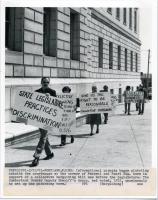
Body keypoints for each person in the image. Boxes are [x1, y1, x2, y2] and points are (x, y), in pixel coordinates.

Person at [30, 77, 56, 167]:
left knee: (43, 137)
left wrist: (50, 98)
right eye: (44, 82)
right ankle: (49, 154)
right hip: (39, 118)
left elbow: (56, 106)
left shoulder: (53, 92)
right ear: (41, 82)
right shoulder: (36, 92)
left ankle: (36, 156)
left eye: (47, 82)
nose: (46, 83)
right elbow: (32, 104)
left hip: (47, 119)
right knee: (44, 137)